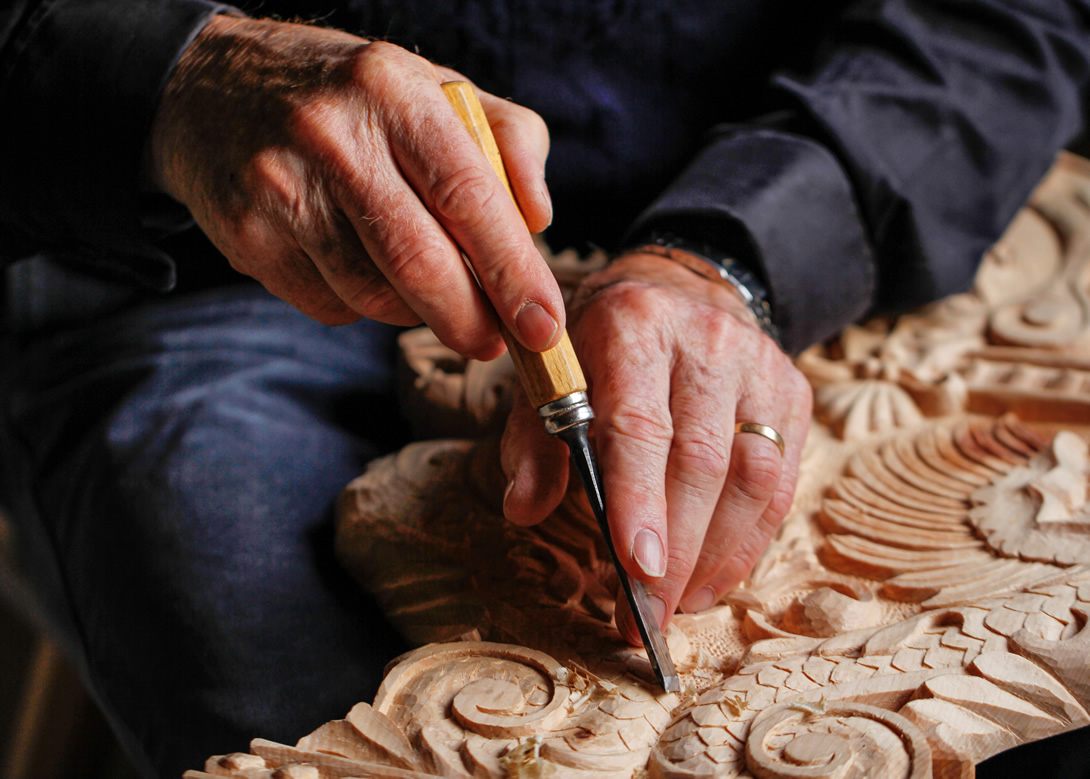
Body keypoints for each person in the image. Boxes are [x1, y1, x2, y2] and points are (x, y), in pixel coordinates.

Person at [1, 1, 1087, 776]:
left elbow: (1009, 18)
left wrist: (725, 256)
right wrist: (179, 76)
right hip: (185, 266)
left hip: (759, 187)